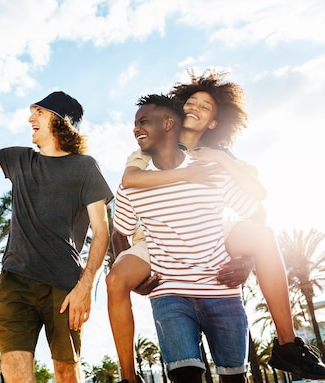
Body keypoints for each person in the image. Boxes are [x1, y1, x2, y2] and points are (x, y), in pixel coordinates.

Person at [105, 71, 325, 383]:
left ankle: (287, 346)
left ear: (213, 123)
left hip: (210, 226)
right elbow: (129, 185)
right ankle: (128, 376)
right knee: (117, 279)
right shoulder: (148, 149)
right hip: (154, 235)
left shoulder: (219, 157)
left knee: (262, 237)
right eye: (190, 102)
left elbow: (257, 205)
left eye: (205, 107)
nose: (194, 108)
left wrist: (246, 260)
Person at [0, 87, 113, 383]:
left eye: (38, 112)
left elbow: (102, 231)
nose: (30, 118)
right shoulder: (20, 159)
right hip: (14, 282)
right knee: (14, 372)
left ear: (61, 120)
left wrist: (85, 287)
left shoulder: (85, 168)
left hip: (64, 287)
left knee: (66, 372)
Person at [113, 94, 261, 383]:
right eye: (135, 123)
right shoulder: (132, 182)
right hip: (170, 295)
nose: (135, 129)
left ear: (169, 123)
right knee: (184, 377)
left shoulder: (210, 169)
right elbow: (120, 232)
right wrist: (135, 281)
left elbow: (256, 214)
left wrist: (248, 259)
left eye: (143, 121)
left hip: (222, 291)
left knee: (235, 378)